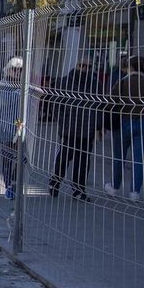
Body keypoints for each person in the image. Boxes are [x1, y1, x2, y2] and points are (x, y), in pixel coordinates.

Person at [46, 60, 95, 201]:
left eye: (88, 66)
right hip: (69, 129)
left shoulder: (94, 83)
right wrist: (62, 120)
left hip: (87, 130)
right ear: (77, 66)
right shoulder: (65, 82)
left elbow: (99, 105)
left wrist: (97, 126)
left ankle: (79, 190)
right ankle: (54, 183)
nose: (85, 68)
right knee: (64, 158)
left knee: (83, 162)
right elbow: (55, 103)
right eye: (82, 65)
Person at [109, 56, 144, 199]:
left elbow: (112, 102)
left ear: (130, 67)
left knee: (119, 157)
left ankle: (115, 187)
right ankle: (135, 191)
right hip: (143, 121)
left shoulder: (122, 82)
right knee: (138, 158)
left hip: (124, 121)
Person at [0, 57, 25, 199]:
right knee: (8, 158)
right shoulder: (2, 85)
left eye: (20, 70)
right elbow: (5, 102)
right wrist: (21, 93)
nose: (17, 72)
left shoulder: (22, 85)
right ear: (8, 69)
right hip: (5, 127)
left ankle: (15, 183)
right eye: (15, 69)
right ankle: (9, 186)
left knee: (21, 158)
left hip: (20, 126)